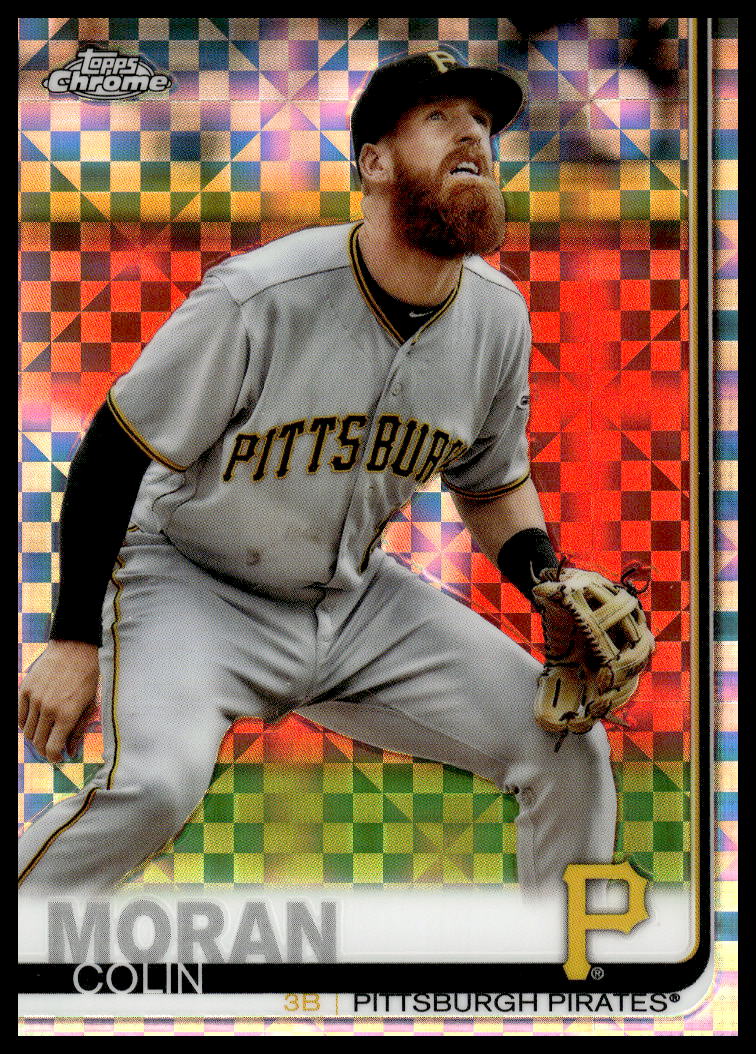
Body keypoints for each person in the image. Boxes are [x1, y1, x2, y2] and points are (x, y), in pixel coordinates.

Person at [18, 50, 617, 898]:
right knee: (154, 788)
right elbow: (116, 450)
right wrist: (74, 638)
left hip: (355, 602)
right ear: (374, 163)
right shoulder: (262, 295)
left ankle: (572, 968)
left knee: (567, 746)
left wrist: (546, 580)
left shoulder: (497, 314)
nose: (473, 138)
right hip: (192, 586)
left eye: (483, 124)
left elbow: (490, 485)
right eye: (439, 119)